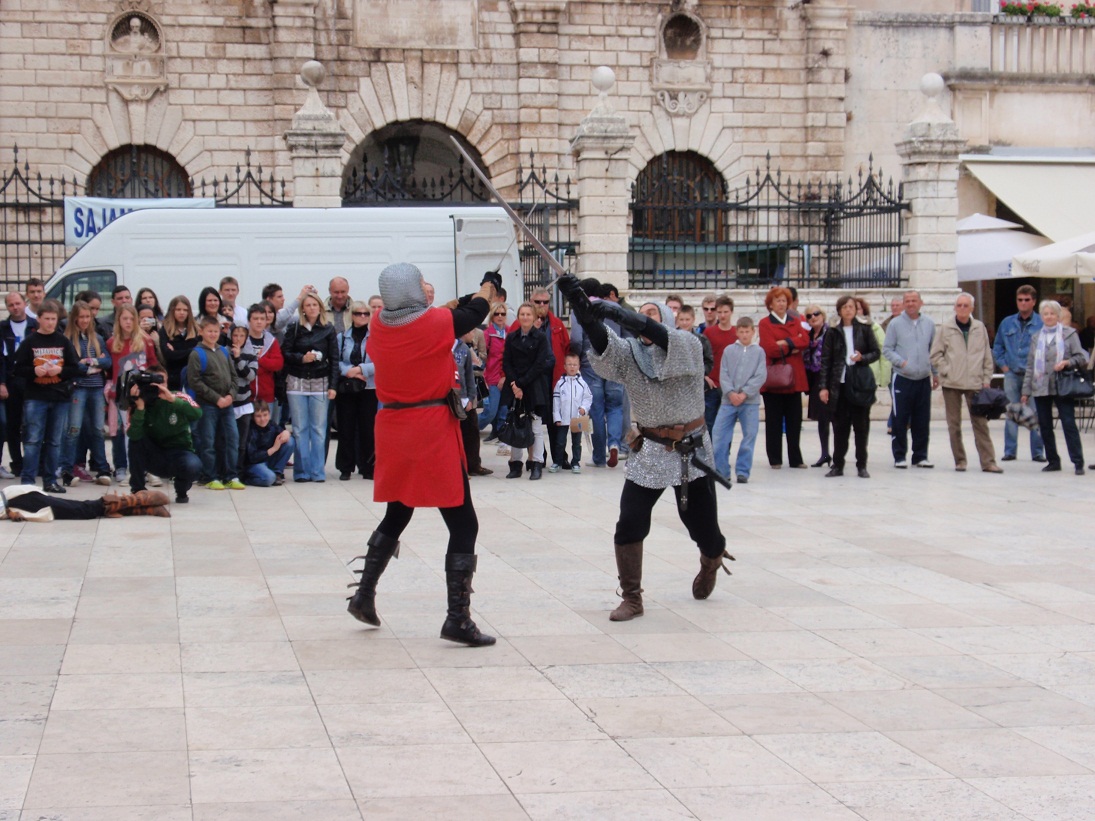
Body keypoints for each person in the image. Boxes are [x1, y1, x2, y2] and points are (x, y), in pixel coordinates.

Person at [557, 277, 733, 621]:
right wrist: (584, 310)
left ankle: (712, 557)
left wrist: (622, 312)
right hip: (650, 448)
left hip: (690, 450)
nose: (645, 319)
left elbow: (658, 333)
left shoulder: (689, 345)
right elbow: (604, 345)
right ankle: (632, 598)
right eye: (643, 315)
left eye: (652, 315)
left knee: (702, 528)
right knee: (630, 522)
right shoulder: (631, 354)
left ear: (666, 319)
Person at [345, 262, 498, 647]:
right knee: (464, 524)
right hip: (430, 428)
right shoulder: (434, 325)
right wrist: (486, 287)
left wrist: (463, 299)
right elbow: (475, 313)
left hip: (395, 428)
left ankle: (364, 594)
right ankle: (457, 620)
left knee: (398, 511)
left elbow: (442, 312)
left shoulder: (380, 322)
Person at [930, 293, 1002, 474]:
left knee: (980, 424)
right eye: (959, 305)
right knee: (954, 424)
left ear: (972, 308)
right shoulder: (946, 328)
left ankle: (988, 462)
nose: (962, 308)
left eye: (965, 305)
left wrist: (987, 379)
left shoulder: (979, 328)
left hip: (975, 383)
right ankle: (960, 460)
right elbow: (935, 354)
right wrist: (946, 369)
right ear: (955, 308)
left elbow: (987, 355)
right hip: (952, 383)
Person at [13, 300, 79, 492]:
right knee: (33, 439)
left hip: (59, 397)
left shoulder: (63, 341)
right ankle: (28, 481)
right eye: (47, 319)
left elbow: (75, 368)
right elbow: (17, 369)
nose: (50, 322)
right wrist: (35, 371)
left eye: (53, 319)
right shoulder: (30, 342)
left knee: (54, 441)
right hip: (36, 396)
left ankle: (50, 480)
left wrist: (60, 369)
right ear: (39, 319)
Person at [1021, 300, 1088, 475]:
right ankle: (1053, 460)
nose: (1049, 317)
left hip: (1062, 385)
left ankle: (1078, 461)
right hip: (1041, 385)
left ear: (1058, 316)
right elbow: (1030, 365)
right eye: (1045, 314)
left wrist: (1067, 362)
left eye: (1052, 313)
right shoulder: (1036, 337)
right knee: (1044, 425)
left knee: (1068, 423)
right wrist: (1025, 391)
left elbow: (1081, 357)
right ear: (1041, 316)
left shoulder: (1069, 334)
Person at [818, 295, 880, 479]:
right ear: (839, 310)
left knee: (861, 427)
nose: (848, 310)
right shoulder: (832, 332)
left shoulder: (865, 329)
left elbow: (876, 352)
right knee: (840, 427)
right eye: (844, 307)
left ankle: (862, 464)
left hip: (859, 383)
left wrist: (863, 358)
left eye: (851, 306)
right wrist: (824, 387)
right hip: (840, 384)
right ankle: (838, 464)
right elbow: (826, 361)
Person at [281, 292, 339, 482]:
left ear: (320, 308)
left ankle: (317, 471)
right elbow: (286, 353)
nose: (312, 308)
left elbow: (335, 359)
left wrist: (333, 385)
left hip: (320, 382)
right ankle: (302, 471)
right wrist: (301, 358)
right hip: (297, 381)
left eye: (315, 304)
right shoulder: (294, 328)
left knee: (319, 429)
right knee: (299, 428)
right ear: (303, 308)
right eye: (308, 305)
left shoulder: (328, 329)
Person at [126, 364, 203, 503]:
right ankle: (138, 490)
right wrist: (140, 408)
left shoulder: (177, 396)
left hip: (178, 452)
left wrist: (173, 400)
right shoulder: (141, 401)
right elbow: (134, 435)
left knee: (193, 465)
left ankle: (181, 489)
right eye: (153, 382)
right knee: (135, 441)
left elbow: (197, 413)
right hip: (153, 455)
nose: (158, 386)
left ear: (167, 383)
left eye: (162, 382)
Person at [570, 277, 626, 468]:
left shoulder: (580, 309)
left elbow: (577, 339)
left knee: (597, 410)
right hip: (616, 362)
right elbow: (628, 335)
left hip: (591, 363)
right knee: (615, 407)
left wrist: (576, 358)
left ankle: (599, 457)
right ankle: (615, 444)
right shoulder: (615, 308)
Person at [514, 287, 570, 469]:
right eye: (537, 302)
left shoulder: (557, 324)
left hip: (553, 379)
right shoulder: (520, 325)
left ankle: (560, 456)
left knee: (557, 419)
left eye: (545, 302)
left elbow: (566, 349)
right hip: (531, 379)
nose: (541, 305)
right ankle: (538, 456)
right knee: (534, 419)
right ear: (531, 302)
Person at [883, 290, 938, 469]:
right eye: (907, 301)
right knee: (900, 419)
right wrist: (902, 363)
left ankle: (920, 456)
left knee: (922, 419)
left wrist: (935, 373)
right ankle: (899, 456)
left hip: (923, 378)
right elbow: (887, 349)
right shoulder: (895, 324)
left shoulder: (929, 324)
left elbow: (933, 350)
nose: (911, 303)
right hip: (903, 378)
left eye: (914, 300)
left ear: (921, 303)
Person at [188, 316, 244, 490]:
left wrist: (230, 395)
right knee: (208, 441)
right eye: (209, 331)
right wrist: (216, 398)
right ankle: (210, 476)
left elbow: (234, 376)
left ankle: (230, 475)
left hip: (227, 404)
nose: (213, 334)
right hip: (208, 405)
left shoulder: (224, 351)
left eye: (216, 331)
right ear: (201, 332)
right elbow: (195, 382)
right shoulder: (197, 354)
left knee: (232, 439)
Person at [106, 304, 159, 485]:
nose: (128, 322)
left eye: (131, 319)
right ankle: (130, 469)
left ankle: (148, 468)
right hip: (123, 395)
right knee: (127, 433)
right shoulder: (112, 343)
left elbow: (153, 364)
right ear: (118, 321)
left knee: (146, 431)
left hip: (143, 393)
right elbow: (111, 370)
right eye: (124, 319)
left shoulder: (145, 341)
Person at [61, 301, 112, 487]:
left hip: (96, 388)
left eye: (87, 317)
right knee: (73, 429)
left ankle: (102, 468)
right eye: (81, 317)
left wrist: (90, 362)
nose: (84, 320)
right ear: (74, 318)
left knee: (98, 429)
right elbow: (74, 365)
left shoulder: (97, 338)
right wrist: (91, 366)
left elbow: (107, 362)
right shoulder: (67, 339)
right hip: (78, 388)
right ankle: (67, 468)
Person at [758, 286, 810, 469]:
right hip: (774, 378)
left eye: (783, 300)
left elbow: (805, 340)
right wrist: (792, 345)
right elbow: (769, 347)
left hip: (793, 378)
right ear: (770, 304)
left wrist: (785, 342)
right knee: (773, 420)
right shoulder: (765, 323)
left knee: (795, 420)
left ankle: (796, 458)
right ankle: (775, 459)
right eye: (777, 300)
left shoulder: (795, 320)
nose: (781, 304)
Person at [993, 284, 1046, 463]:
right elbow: (998, 346)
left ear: (1034, 302)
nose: (1023, 303)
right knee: (1011, 412)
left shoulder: (1041, 323)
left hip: (1034, 375)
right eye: (1020, 300)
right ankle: (1010, 451)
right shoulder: (1007, 322)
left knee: (1036, 412)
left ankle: (1037, 452)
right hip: (1012, 373)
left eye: (1026, 300)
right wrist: (1004, 367)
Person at [501, 301, 554, 480]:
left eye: (528, 314)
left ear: (534, 317)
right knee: (516, 424)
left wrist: (522, 384)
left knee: (536, 428)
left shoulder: (540, 338)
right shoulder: (512, 337)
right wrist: (515, 385)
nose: (525, 317)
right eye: (522, 314)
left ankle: (537, 463)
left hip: (534, 387)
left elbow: (540, 364)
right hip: (515, 387)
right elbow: (506, 362)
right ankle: (515, 464)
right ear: (518, 317)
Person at [711, 316, 766, 484]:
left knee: (749, 436)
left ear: (753, 332)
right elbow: (724, 373)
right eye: (741, 332)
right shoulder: (729, 350)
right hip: (729, 401)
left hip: (749, 402)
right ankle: (721, 470)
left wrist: (745, 393)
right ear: (736, 332)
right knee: (719, 435)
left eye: (747, 332)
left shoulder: (758, 352)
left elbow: (760, 375)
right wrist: (731, 393)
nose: (744, 335)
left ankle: (743, 471)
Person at [335, 300, 377, 480]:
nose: (362, 317)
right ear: (351, 315)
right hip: (348, 387)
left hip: (369, 386)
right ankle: (345, 467)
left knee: (368, 428)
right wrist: (349, 372)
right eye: (359, 313)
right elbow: (336, 361)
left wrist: (361, 370)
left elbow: (382, 360)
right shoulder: (342, 337)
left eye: (366, 314)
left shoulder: (376, 337)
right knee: (346, 427)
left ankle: (368, 467)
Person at [0, 291, 38, 479]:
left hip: (32, 380)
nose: (15, 307)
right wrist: (2, 383)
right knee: (12, 425)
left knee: (33, 424)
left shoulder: (35, 326)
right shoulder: (3, 328)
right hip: (11, 380)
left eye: (17, 303)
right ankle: (17, 463)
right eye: (11, 305)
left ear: (25, 303)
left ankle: (34, 463)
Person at [2, 485, 171, 522]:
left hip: (16, 499)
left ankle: (136, 500)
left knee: (80, 510)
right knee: (77, 510)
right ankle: (138, 508)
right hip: (14, 504)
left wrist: (9, 512)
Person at [455, 330, 491, 477]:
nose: (473, 333)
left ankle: (474, 464)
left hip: (470, 395)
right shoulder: (457, 348)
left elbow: (478, 367)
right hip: (456, 396)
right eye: (470, 331)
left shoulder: (467, 347)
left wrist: (470, 397)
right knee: (461, 433)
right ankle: (462, 465)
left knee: (472, 431)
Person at [245, 303, 284, 438]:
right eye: (255, 319)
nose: (259, 322)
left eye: (262, 318)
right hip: (246, 396)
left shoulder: (271, 341)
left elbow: (278, 364)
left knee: (268, 434)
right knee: (246, 435)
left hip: (267, 395)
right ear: (249, 320)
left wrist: (259, 360)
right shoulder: (242, 340)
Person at [551, 352, 592, 474]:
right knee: (560, 441)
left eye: (575, 364)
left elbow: (588, 397)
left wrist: (584, 408)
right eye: (569, 364)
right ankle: (557, 462)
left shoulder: (583, 383)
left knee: (576, 442)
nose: (572, 367)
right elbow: (556, 401)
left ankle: (575, 462)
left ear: (579, 366)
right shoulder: (560, 384)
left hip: (577, 418)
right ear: (564, 366)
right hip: (563, 417)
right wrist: (556, 417)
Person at [803, 304, 832, 468]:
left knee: (832, 417)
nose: (813, 317)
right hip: (814, 379)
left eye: (816, 313)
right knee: (822, 418)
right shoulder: (808, 336)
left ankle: (836, 453)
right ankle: (825, 453)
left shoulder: (831, 333)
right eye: (809, 316)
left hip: (827, 378)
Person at [241, 400, 294, 487]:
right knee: (269, 478)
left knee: (290, 441)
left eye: (265, 415)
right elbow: (252, 457)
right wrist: (273, 449)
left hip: (268, 460)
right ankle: (246, 479)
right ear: (253, 417)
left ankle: (277, 473)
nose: (262, 419)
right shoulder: (250, 430)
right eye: (258, 416)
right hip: (254, 464)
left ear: (269, 414)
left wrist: (286, 432)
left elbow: (282, 432)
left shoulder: (271, 424)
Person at [702, 298, 736, 434]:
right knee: (709, 423)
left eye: (725, 312)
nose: (722, 315)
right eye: (720, 312)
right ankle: (710, 454)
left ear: (731, 312)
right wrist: (705, 376)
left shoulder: (736, 333)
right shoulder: (709, 333)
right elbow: (702, 356)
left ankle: (724, 453)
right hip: (712, 385)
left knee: (727, 424)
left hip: (730, 386)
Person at [229, 324, 258, 472]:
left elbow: (250, 376)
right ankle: (227, 470)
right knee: (228, 440)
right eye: (235, 335)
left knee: (242, 441)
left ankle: (238, 471)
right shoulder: (224, 353)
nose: (238, 338)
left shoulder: (251, 354)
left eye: (242, 336)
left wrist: (238, 358)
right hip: (229, 402)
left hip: (244, 403)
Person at [478, 301, 509, 441]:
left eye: (503, 313)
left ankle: (498, 433)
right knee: (490, 411)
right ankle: (468, 427)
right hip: (491, 377)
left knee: (503, 410)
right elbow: (482, 357)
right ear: (492, 316)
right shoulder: (487, 334)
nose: (500, 316)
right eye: (497, 313)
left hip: (506, 377)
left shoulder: (510, 332)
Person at [854, 297, 890, 401]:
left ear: (864, 311)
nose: (856, 312)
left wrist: (884, 378)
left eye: (859, 309)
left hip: (869, 375)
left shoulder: (875, 328)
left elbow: (884, 352)